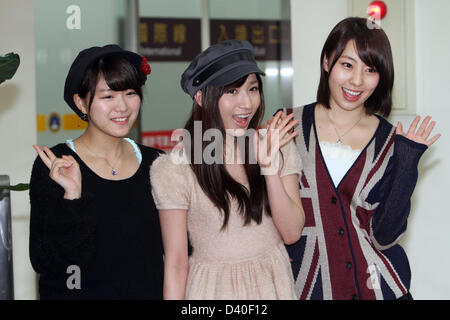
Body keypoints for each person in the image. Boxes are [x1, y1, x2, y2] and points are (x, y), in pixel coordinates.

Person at [283, 17, 441, 300]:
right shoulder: (287, 126)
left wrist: (407, 162)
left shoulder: (391, 141)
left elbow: (385, 236)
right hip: (307, 288)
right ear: (326, 62)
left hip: (379, 289)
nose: (357, 80)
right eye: (347, 64)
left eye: (370, 69)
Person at [150, 40, 305, 299]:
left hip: (273, 285)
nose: (246, 103)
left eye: (253, 89)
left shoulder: (278, 146)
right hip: (212, 291)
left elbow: (291, 233)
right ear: (201, 97)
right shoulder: (174, 169)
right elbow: (176, 264)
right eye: (232, 91)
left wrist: (269, 167)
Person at [29, 44, 164, 299]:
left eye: (130, 93)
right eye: (107, 96)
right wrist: (73, 199)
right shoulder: (56, 165)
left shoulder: (156, 162)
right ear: (81, 102)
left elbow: (180, 249)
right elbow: (47, 262)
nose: (122, 106)